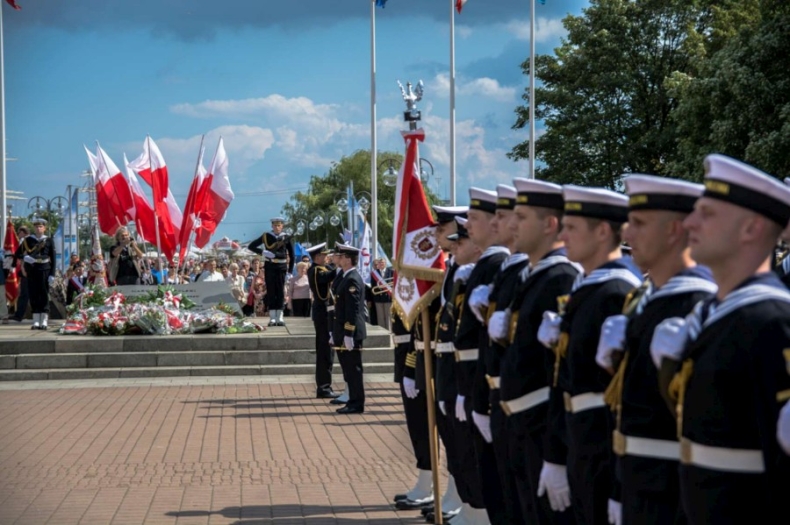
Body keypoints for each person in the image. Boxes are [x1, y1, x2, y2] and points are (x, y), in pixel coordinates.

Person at [651, 155, 790, 525]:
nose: (690, 223)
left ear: (751, 228)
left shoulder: (772, 321)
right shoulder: (716, 314)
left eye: (707, 214)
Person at [593, 175, 716, 525]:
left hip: (672, 493)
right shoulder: (647, 300)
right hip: (639, 481)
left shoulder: (697, 302)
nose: (627, 234)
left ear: (674, 230)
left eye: (638, 223)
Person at [537, 185, 642, 525]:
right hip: (580, 441)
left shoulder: (617, 291)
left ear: (602, 232)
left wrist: (619, 483)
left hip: (601, 448)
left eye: (571, 227)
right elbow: (564, 380)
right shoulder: (588, 288)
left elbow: (621, 398)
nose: (562, 235)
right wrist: (556, 452)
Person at [498, 178, 580, 525]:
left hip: (543, 424)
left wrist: (555, 451)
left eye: (522, 217)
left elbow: (562, 374)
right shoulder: (535, 275)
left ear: (549, 225)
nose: (512, 224)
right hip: (524, 423)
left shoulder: (560, 277)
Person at [472, 184, 530, 525]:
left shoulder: (536, 274)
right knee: (502, 497)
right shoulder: (510, 269)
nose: (496, 224)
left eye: (506, 216)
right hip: (499, 398)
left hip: (527, 413)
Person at [454, 187, 510, 525]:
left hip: (490, 385)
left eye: (474, 218)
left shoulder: (497, 264)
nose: (466, 225)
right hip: (475, 380)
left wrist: (473, 390)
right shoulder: (488, 265)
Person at [331, 242, 366, 414]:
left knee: (354, 370)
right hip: (343, 329)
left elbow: (353, 309)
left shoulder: (352, 279)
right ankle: (352, 401)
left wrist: (349, 333)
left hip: (351, 331)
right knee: (349, 370)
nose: (339, 258)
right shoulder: (346, 276)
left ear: (348, 259)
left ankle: (356, 403)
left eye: (342, 256)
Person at [306, 243, 340, 399]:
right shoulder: (315, 270)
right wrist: (339, 265)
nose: (327, 258)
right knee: (325, 350)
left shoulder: (322, 268)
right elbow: (327, 276)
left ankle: (325, 385)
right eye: (324, 255)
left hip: (327, 313)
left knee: (328, 350)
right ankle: (323, 387)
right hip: (322, 314)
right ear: (317, 257)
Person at [249, 217, 295, 326]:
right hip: (270, 266)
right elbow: (251, 246)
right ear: (272, 226)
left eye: (279, 225)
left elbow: (292, 255)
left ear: (282, 226)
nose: (277, 227)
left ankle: (280, 316)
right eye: (275, 225)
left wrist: (290, 271)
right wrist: (263, 252)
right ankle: (273, 317)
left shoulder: (286, 237)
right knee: (271, 291)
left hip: (281, 266)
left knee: (280, 291)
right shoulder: (266, 236)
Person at [13, 218, 56, 330]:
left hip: (44, 269)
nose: (38, 228)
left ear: (44, 228)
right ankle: (36, 320)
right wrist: (25, 257)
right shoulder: (28, 240)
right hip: (32, 270)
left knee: (44, 294)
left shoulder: (48, 240)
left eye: (40, 226)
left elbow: (53, 258)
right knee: (33, 294)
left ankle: (44, 319)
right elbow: (17, 253)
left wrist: (52, 274)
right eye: (36, 226)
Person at [9, 225, 30, 322]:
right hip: (25, 271)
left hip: (28, 271)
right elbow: (18, 254)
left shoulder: (27, 241)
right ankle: (19, 314)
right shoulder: (23, 241)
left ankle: (20, 315)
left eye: (19, 232)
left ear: (24, 233)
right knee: (24, 294)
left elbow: (21, 255)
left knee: (25, 294)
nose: (18, 234)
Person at [369, 257, 394, 330]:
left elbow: (393, 284)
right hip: (378, 298)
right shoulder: (374, 273)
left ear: (385, 263)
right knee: (380, 318)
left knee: (388, 317)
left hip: (388, 297)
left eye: (382, 262)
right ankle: (382, 332)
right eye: (380, 263)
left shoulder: (391, 271)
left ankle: (389, 332)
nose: (381, 264)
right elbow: (373, 286)